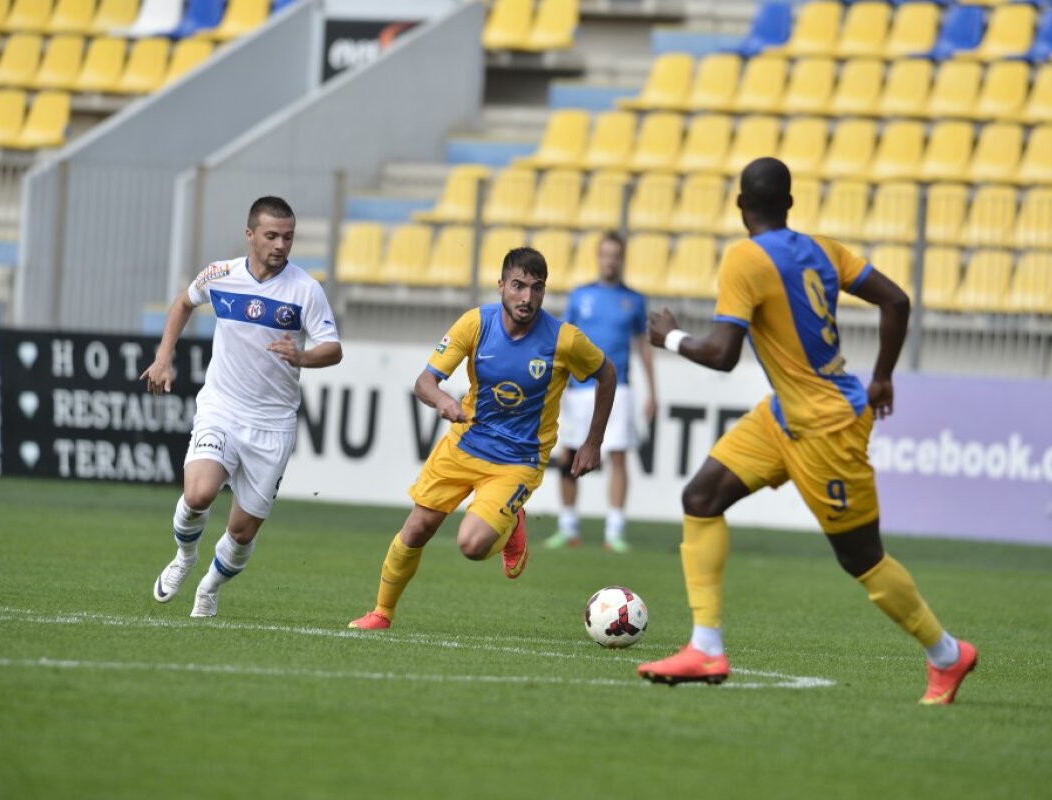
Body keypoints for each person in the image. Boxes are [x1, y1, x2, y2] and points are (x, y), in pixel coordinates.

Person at [637, 158, 977, 705]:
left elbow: (724, 355)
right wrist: (883, 376)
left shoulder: (745, 259)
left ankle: (947, 654)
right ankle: (705, 647)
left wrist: (671, 338)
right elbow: (897, 300)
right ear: (789, 204)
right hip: (784, 415)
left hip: (828, 428)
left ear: (740, 205)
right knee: (701, 497)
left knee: (861, 560)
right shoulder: (823, 249)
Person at [348, 246, 616, 630]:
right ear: (501, 285)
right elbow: (425, 382)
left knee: (471, 546)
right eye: (519, 286)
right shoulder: (475, 324)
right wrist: (442, 401)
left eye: (536, 289)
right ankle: (381, 613)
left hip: (518, 461)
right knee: (418, 528)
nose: (527, 298)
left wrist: (593, 442)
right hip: (465, 443)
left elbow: (607, 375)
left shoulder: (564, 340)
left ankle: (510, 523)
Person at [141, 196, 342, 618]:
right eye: (271, 236)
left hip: (273, 422)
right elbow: (182, 304)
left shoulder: (305, 290)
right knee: (199, 493)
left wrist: (303, 357)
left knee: (242, 530)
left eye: (288, 237)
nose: (281, 245)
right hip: (222, 407)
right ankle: (184, 558)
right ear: (250, 234)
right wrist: (163, 357)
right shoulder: (221, 274)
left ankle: (209, 588)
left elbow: (333, 349)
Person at [546, 231, 657, 553]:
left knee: (618, 456)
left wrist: (652, 392)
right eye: (605, 254)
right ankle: (568, 527)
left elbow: (644, 348)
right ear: (598, 257)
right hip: (578, 390)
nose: (610, 260)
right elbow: (565, 344)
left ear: (621, 259)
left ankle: (615, 530)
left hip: (619, 387)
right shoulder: (581, 296)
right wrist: (559, 385)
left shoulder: (634, 300)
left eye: (615, 255)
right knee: (568, 454)